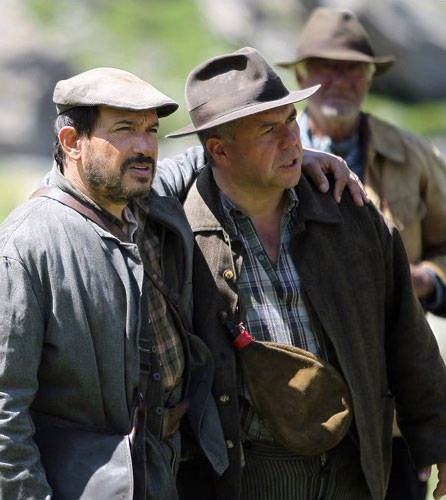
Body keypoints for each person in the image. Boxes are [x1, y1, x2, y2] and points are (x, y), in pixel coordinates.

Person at [0, 65, 364, 499]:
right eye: (125, 129)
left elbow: (211, 153)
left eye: (151, 130)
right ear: (72, 143)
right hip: (81, 482)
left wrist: (290, 155)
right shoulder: (21, 253)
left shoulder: (142, 201)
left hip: (162, 470)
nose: (145, 147)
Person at [167, 46, 446, 500]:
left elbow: (405, 331)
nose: (292, 140)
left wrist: (437, 434)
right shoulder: (179, 237)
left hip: (353, 465)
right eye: (267, 129)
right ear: (218, 150)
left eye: (292, 121)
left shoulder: (349, 211)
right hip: (246, 476)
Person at [277, 8, 446, 499]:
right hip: (291, 399)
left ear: (370, 77)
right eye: (326, 67)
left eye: (354, 68)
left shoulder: (410, 154)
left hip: (389, 403)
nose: (340, 80)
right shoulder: (268, 156)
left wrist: (425, 279)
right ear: (302, 75)